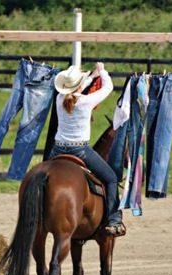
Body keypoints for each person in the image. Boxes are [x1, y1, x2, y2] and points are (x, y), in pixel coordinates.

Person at [50, 62, 125, 236]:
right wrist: (103, 71)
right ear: (80, 85)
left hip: (58, 149)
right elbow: (108, 87)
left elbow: (74, 92)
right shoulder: (86, 102)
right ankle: (114, 219)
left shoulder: (60, 99)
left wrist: (91, 77)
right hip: (80, 150)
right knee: (111, 179)